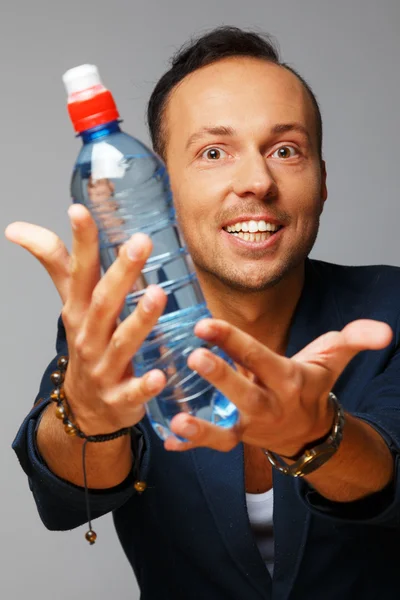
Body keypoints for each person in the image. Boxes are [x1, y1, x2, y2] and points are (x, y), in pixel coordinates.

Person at [7, 26, 400, 600]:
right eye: (213, 153)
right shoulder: (121, 330)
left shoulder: (388, 309)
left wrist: (316, 437)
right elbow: (66, 495)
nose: (257, 182)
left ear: (321, 182)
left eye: (285, 150)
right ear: (160, 189)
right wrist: (87, 419)